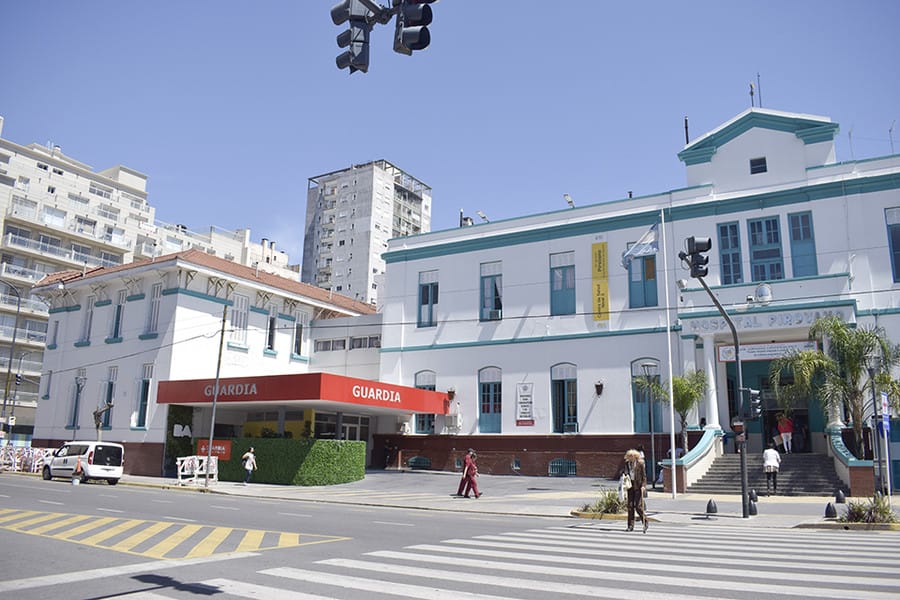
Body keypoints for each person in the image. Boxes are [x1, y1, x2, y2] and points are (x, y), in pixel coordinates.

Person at [623, 449, 648, 533]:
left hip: (638, 486)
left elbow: (644, 476)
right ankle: (630, 526)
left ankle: (645, 521)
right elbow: (625, 473)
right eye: (629, 456)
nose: (631, 457)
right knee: (630, 506)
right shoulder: (627, 464)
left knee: (638, 506)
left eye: (632, 456)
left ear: (635, 456)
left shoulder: (640, 464)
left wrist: (643, 486)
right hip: (630, 486)